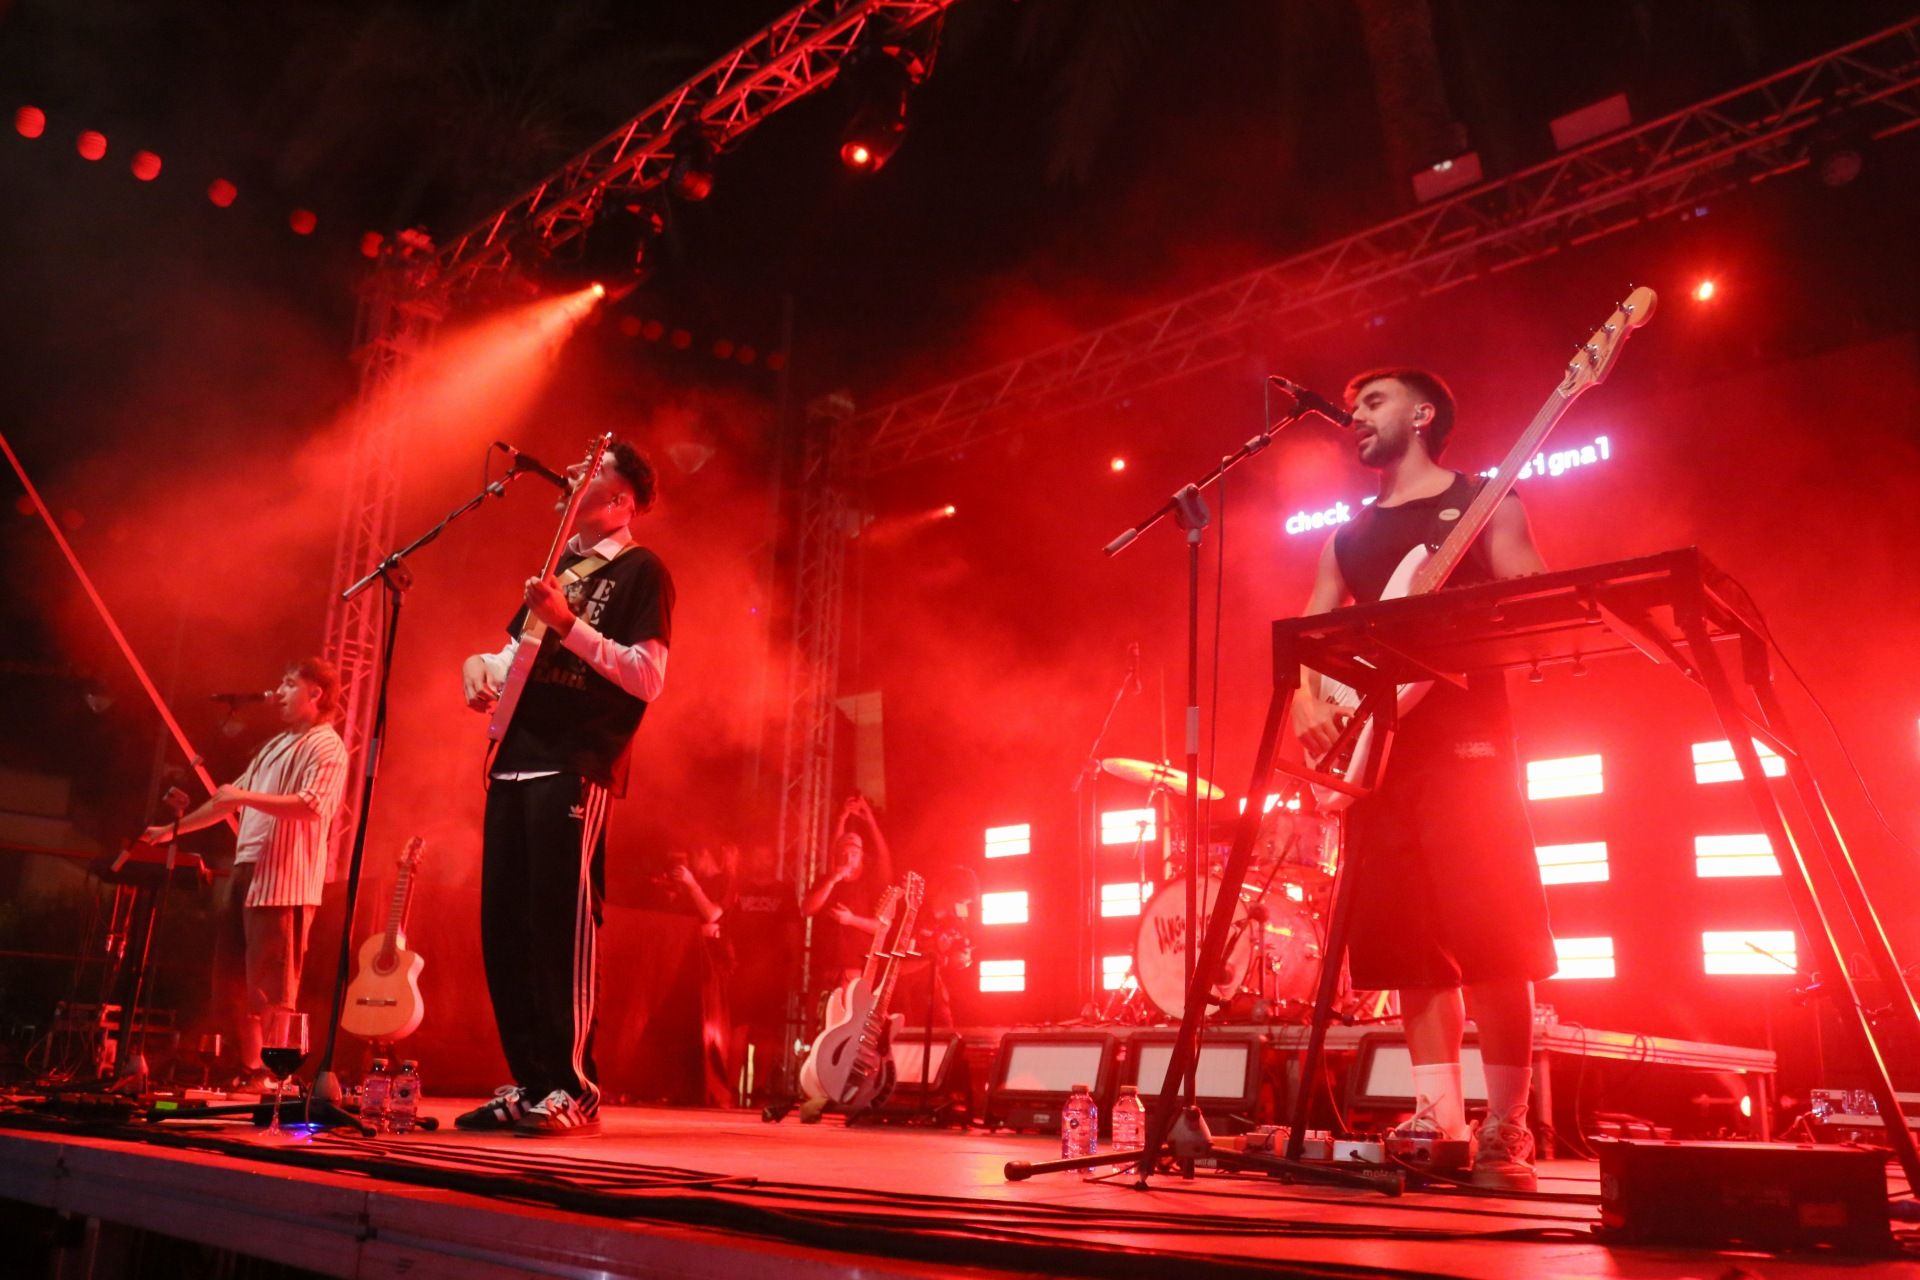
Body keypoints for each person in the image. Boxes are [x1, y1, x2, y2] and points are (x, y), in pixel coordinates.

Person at [1289, 367, 1557, 1191]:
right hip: (1383, 762)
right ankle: (1437, 1118)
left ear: (1423, 412)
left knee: (1492, 937)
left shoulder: (1486, 501)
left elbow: (1533, 608)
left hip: (1466, 746)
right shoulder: (1347, 537)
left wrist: (1471, 621)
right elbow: (1310, 637)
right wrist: (1306, 706)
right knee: (1408, 946)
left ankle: (1508, 1126)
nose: (1355, 418)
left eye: (1374, 402)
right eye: (1355, 407)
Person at [455, 439, 674, 1137]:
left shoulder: (642, 570)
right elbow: (513, 654)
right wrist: (477, 665)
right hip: (515, 757)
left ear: (621, 501)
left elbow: (647, 675)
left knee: (560, 924)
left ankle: (572, 1089)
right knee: (506, 925)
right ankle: (529, 1082)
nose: (577, 475)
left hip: (575, 759)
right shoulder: (563, 568)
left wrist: (569, 623)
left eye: (595, 471)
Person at [143, 659, 348, 1091]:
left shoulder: (327, 746)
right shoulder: (275, 745)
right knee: (236, 982)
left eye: (290, 684)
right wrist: (169, 831)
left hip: (284, 878)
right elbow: (225, 803)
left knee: (274, 986)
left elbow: (311, 806)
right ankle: (254, 1071)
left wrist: (245, 795)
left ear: (316, 694)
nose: (280, 691)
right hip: (246, 871)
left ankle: (278, 1076)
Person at [723, 843, 800, 1106]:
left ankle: (759, 1089)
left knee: (766, 1032)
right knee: (740, 1028)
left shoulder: (784, 891)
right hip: (743, 968)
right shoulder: (740, 888)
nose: (762, 861)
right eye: (758, 856)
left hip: (773, 971)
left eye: (767, 856)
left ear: (774, 859)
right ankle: (732, 1086)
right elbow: (727, 922)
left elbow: (793, 931)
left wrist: (793, 968)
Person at [800, 796, 893, 993]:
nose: (848, 856)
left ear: (861, 855)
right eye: (844, 851)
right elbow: (807, 909)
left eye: (853, 852)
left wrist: (850, 920)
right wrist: (833, 880)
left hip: (856, 971)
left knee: (849, 1021)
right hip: (823, 970)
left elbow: (882, 927)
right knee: (822, 1022)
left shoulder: (871, 883)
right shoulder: (826, 880)